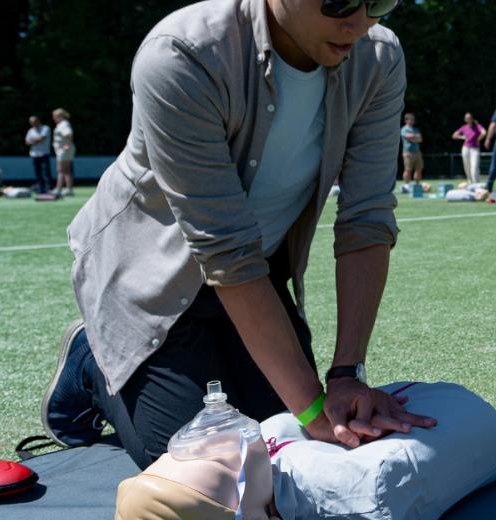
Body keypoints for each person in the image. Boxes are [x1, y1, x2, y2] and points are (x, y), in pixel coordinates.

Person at [40, 0, 434, 470]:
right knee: (206, 466)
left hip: (256, 275)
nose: (358, 23)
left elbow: (366, 218)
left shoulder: (379, 57)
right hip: (150, 283)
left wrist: (347, 373)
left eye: (378, 2)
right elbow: (226, 248)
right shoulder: (182, 54)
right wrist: (311, 407)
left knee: (286, 443)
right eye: (337, 2)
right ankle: (91, 356)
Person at [451, 112, 486, 184]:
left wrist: (478, 139)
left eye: (469, 117)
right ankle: (470, 182)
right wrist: (462, 137)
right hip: (465, 148)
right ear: (465, 119)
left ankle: (476, 183)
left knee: (474, 167)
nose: (468, 119)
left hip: (475, 149)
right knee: (467, 167)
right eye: (467, 118)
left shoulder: (477, 126)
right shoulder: (463, 127)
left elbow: (484, 132)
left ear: (472, 118)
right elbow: (454, 135)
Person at [25, 116, 53, 194]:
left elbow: (41, 139)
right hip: (34, 154)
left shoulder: (45, 128)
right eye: (31, 122)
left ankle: (49, 189)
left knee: (46, 172)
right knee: (38, 173)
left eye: (34, 122)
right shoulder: (30, 130)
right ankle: (41, 189)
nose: (32, 123)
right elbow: (27, 142)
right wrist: (36, 140)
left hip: (44, 154)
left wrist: (33, 140)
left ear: (38, 121)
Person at [51, 108, 75, 197]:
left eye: (55, 116)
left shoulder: (63, 124)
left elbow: (68, 134)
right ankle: (69, 189)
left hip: (64, 150)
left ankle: (58, 189)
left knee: (60, 169)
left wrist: (67, 144)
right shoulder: (63, 124)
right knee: (66, 170)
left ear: (60, 116)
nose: (53, 118)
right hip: (65, 149)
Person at [400, 112, 424, 184]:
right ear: (406, 120)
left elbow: (420, 139)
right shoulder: (404, 129)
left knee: (419, 169)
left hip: (417, 152)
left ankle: (417, 185)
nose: (412, 121)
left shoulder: (416, 129)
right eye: (410, 119)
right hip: (408, 153)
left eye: (413, 120)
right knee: (408, 170)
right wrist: (415, 137)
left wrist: (413, 137)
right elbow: (408, 137)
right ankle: (406, 185)